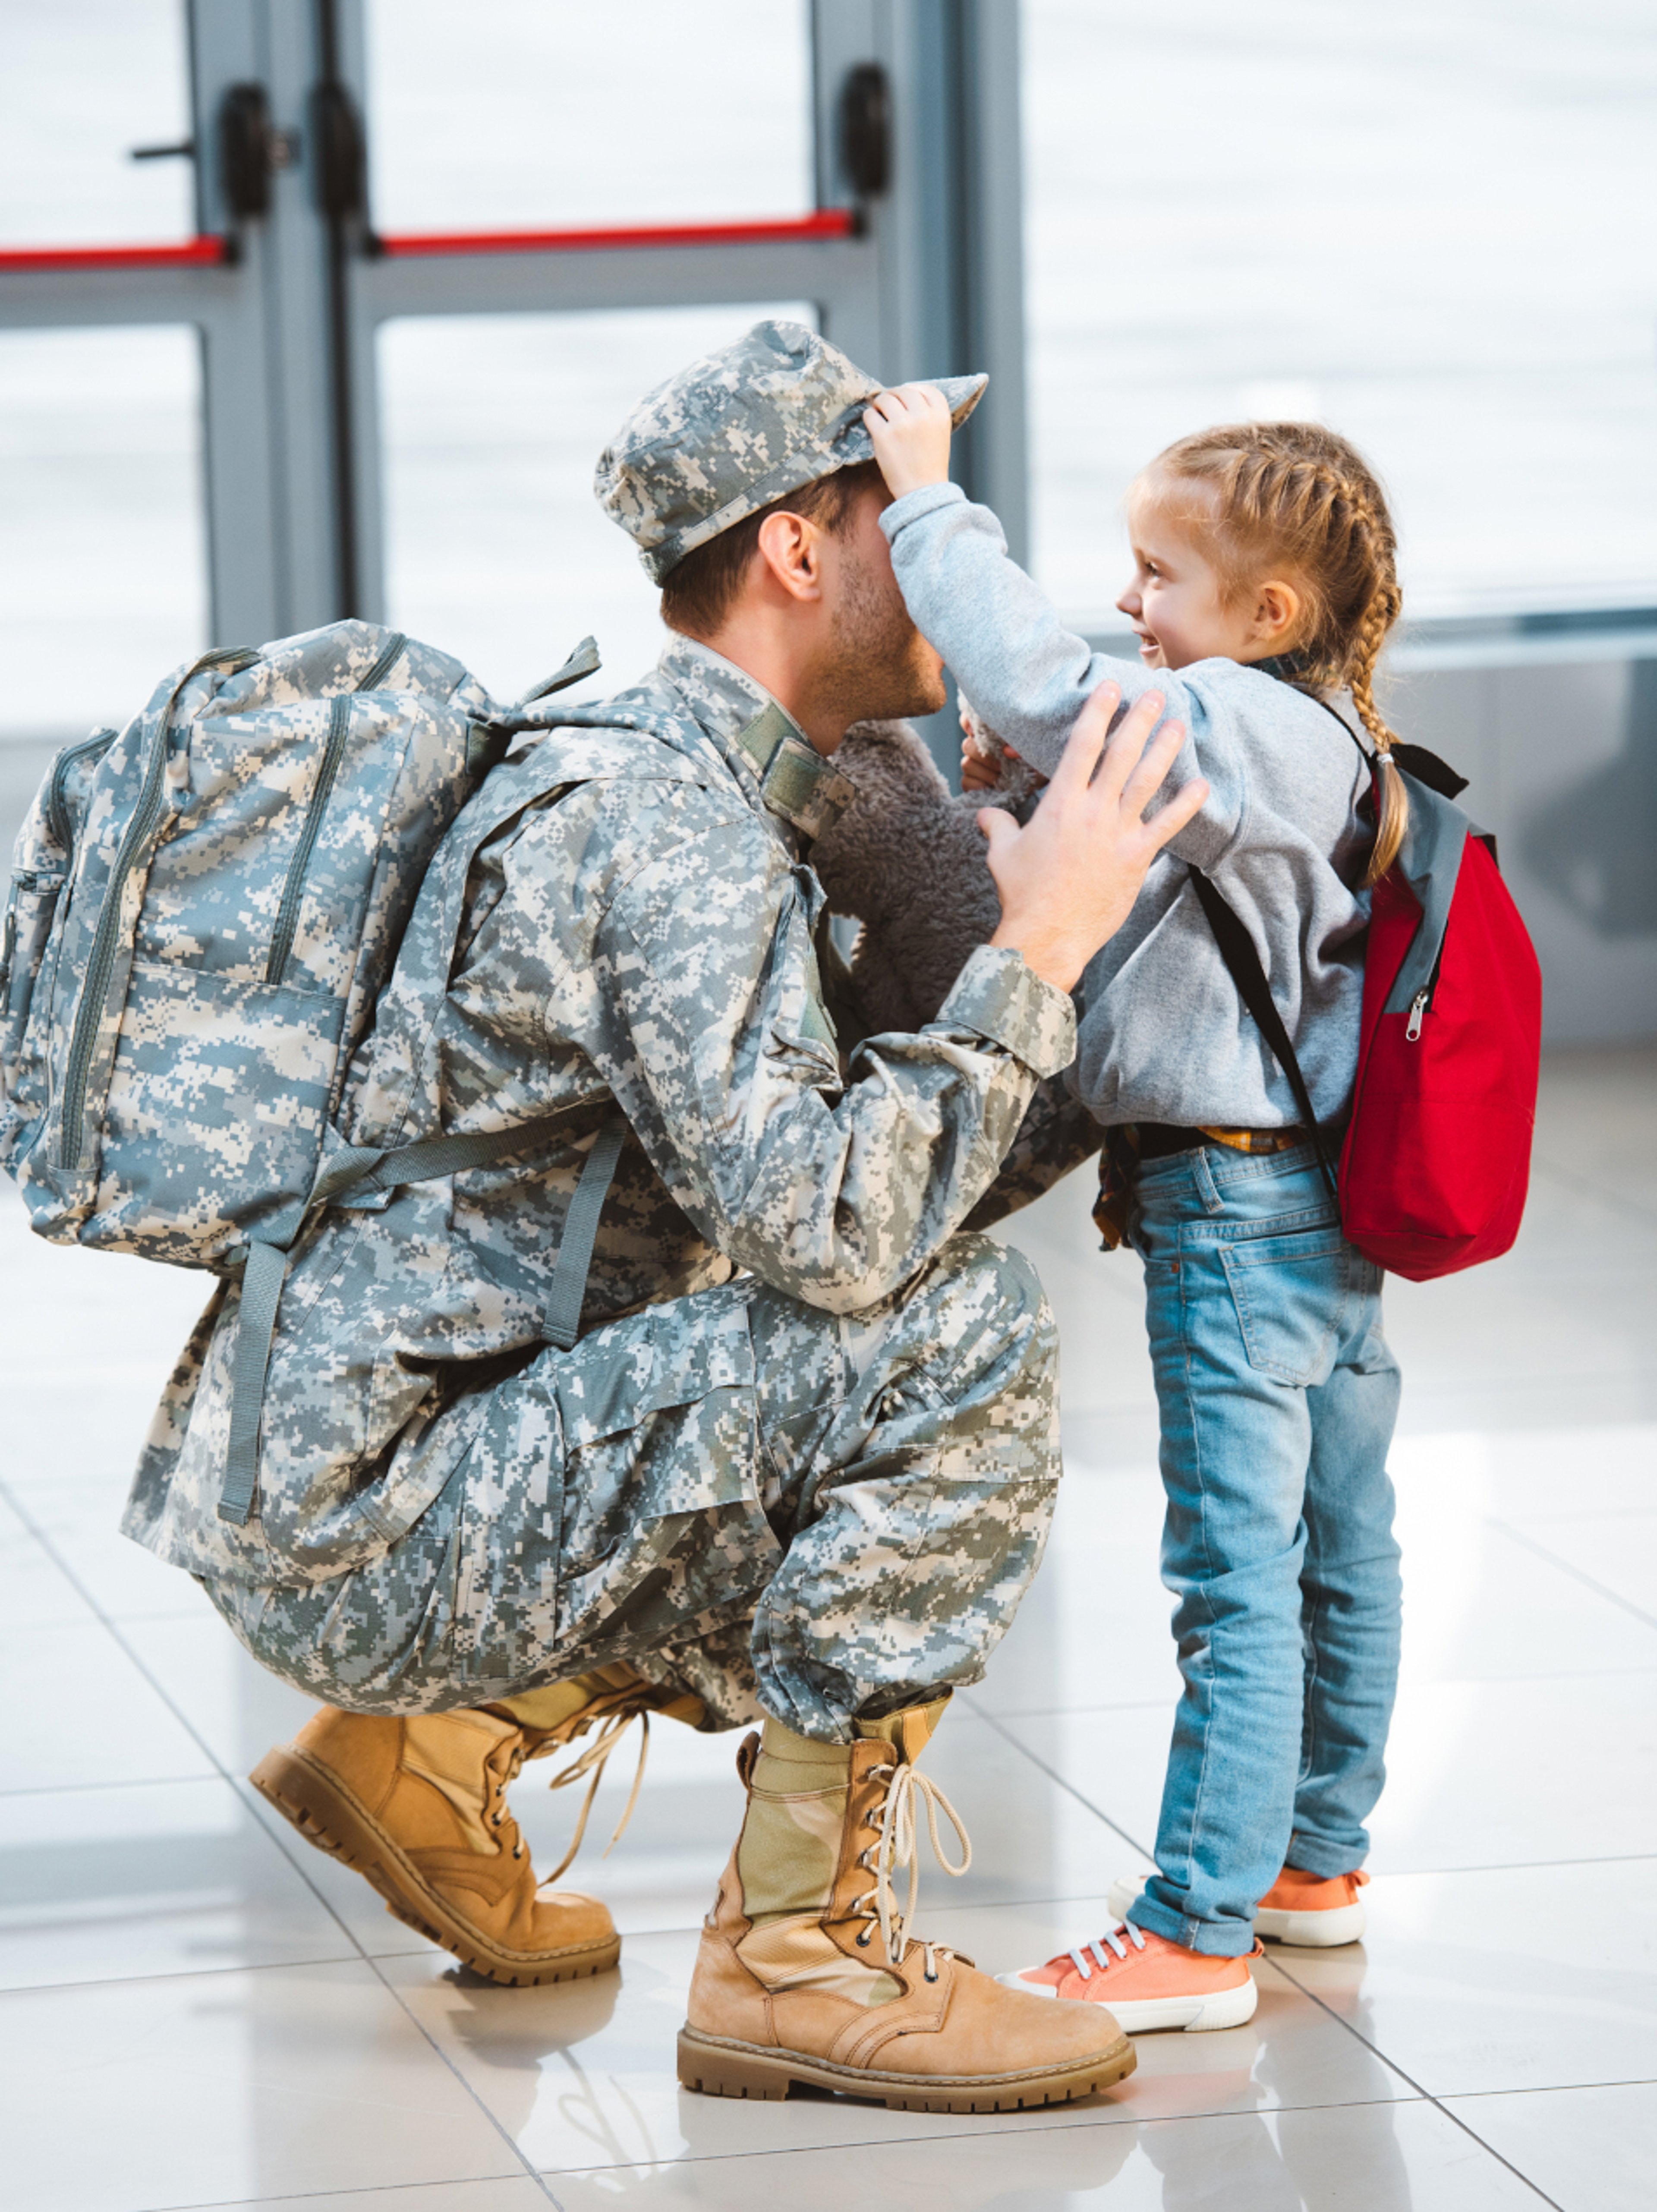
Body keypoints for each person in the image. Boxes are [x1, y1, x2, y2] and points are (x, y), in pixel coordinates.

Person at [122, 321, 1207, 2112]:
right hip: (380, 1510)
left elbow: (868, 1181)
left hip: (391, 1457)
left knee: (880, 1346)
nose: (955, 545)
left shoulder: (750, 775)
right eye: (905, 513)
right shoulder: (665, 825)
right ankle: (801, 1959)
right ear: (799, 547)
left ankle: (426, 1756)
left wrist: (1041, 959)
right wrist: (1040, 948)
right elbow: (845, 1244)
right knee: (965, 1351)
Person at [862, 388, 1408, 2031]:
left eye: (1159, 575)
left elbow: (1041, 675)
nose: (1129, 603)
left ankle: (1196, 1929)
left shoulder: (1238, 718)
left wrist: (924, 506)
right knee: (1338, 1547)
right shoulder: (1326, 739)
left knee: (1237, 1577)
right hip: (1314, 1207)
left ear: (1268, 615)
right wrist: (1027, 788)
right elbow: (1154, 922)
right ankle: (1310, 1862)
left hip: (1235, 1222)